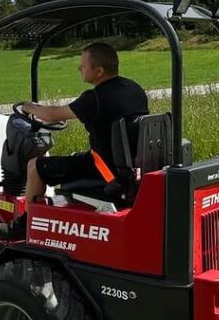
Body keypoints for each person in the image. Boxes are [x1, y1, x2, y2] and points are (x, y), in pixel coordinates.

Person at [21, 42, 148, 204]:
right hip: (126, 168)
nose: (79, 69)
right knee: (75, 157)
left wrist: (27, 107)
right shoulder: (135, 89)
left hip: (103, 170)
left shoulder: (95, 98)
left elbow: (51, 115)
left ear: (99, 71)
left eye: (83, 66)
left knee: (34, 166)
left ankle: (27, 217)